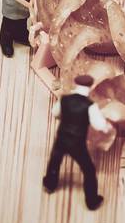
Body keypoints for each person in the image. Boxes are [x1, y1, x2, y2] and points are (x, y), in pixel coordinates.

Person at [43, 75, 110, 211]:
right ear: (90, 87)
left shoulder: (65, 99)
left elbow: (55, 113)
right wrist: (106, 127)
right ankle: (92, 201)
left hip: (62, 137)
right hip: (77, 142)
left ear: (76, 83)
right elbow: (98, 124)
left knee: (55, 161)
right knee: (88, 170)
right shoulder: (90, 106)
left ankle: (50, 184)